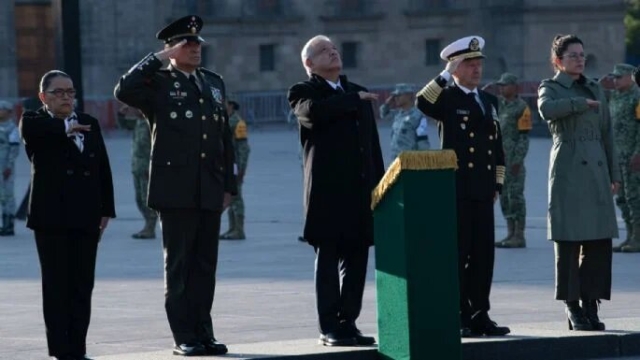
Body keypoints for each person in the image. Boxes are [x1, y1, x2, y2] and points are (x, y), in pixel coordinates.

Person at [114, 15, 236, 356]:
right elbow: (123, 90)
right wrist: (156, 58)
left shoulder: (213, 82)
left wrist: (229, 185)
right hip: (175, 187)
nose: (195, 49)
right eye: (187, 44)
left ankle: (204, 332)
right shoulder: (157, 83)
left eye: (197, 43)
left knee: (205, 266)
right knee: (179, 265)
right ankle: (184, 335)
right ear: (171, 49)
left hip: (209, 187)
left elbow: (223, 135)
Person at [288, 34, 384, 346]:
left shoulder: (357, 92)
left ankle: (349, 322)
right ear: (309, 63)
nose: (332, 53)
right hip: (327, 194)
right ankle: (328, 326)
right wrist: (352, 101)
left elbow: (371, 146)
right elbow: (314, 114)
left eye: (334, 49)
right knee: (328, 261)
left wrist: (381, 185)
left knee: (357, 262)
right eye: (323, 51)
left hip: (359, 192)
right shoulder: (303, 92)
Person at [415, 35, 510, 337]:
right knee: (459, 254)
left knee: (484, 256)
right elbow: (422, 102)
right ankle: (459, 315)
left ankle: (481, 314)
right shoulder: (448, 99)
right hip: (457, 187)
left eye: (478, 62)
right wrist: (444, 74)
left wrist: (498, 184)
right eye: (469, 63)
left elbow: (497, 147)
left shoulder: (489, 101)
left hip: (483, 189)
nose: (476, 69)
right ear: (455, 67)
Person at [20, 70, 115, 360]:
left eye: (70, 92)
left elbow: (102, 169)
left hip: (86, 216)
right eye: (58, 93)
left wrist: (106, 210)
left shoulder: (88, 123)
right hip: (52, 219)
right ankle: (60, 351)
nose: (65, 98)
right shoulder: (35, 122)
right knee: (56, 285)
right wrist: (63, 129)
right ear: (43, 97)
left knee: (82, 285)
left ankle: (78, 348)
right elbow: (35, 135)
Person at [537, 34, 619, 331]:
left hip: (596, 171)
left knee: (598, 242)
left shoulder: (596, 87)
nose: (580, 59)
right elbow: (547, 110)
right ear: (558, 61)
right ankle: (572, 306)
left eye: (582, 54)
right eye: (573, 55)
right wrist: (578, 103)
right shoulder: (550, 87)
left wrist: (614, 174)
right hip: (569, 170)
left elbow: (608, 133)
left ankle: (590, 303)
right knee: (569, 241)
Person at [492, 73, 532, 248]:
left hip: (513, 162)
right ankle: (510, 233)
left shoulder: (521, 107)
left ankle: (519, 235)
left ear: (514, 87)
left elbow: (524, 137)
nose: (501, 88)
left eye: (505, 85)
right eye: (500, 85)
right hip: (500, 161)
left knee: (515, 197)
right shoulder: (499, 106)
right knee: (504, 197)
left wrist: (517, 160)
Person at [608, 63, 640, 253]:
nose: (615, 80)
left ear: (630, 77)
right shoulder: (614, 97)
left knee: (635, 197)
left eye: (619, 77)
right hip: (618, 156)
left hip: (633, 156)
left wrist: (638, 153)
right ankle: (629, 235)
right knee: (622, 198)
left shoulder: (637, 97)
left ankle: (638, 237)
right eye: (614, 77)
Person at [117, 104, 157, 239]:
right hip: (137, 166)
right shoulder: (138, 122)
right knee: (139, 199)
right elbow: (125, 125)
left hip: (147, 167)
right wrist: (121, 115)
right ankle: (147, 225)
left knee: (147, 198)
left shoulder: (151, 122)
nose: (134, 110)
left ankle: (150, 228)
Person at [220, 98, 250, 240]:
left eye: (224, 103)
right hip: (226, 164)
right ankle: (232, 228)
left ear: (230, 105)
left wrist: (242, 168)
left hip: (235, 165)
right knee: (230, 196)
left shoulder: (237, 122)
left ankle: (239, 229)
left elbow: (244, 148)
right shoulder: (224, 120)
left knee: (236, 197)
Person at [381, 83, 430, 162]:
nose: (396, 98)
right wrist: (388, 102)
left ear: (409, 96)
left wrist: (424, 161)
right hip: (395, 160)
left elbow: (422, 140)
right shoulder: (397, 114)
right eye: (395, 96)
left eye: (399, 95)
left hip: (410, 161)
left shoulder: (418, 116)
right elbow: (383, 114)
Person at [0, 100, 20, 236]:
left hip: (6, 167)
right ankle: (4, 223)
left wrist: (9, 166)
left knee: (8, 196)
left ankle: (9, 225)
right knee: (2, 196)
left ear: (8, 112)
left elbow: (14, 149)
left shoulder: (12, 128)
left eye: (2, 109)